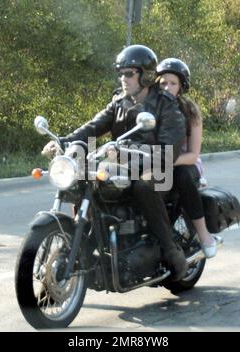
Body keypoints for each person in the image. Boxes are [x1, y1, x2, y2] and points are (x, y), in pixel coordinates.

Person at [43, 45, 188, 280]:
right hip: (121, 165)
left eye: (129, 73)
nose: (123, 78)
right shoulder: (119, 103)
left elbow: (169, 150)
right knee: (84, 179)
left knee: (143, 186)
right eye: (121, 73)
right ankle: (89, 245)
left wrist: (134, 153)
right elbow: (92, 127)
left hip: (158, 169)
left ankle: (171, 251)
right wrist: (62, 141)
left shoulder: (165, 105)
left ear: (146, 75)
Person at [156, 58, 217, 258]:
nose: (167, 87)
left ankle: (203, 233)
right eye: (163, 82)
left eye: (172, 83)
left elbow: (193, 155)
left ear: (181, 86)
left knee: (181, 174)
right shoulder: (150, 107)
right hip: (156, 162)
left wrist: (169, 160)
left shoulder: (190, 112)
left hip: (184, 163)